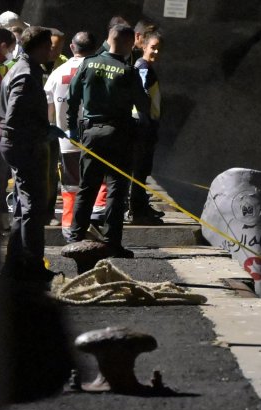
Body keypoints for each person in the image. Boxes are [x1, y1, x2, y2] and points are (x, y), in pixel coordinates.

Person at [65, 24, 150, 257]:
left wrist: (73, 128)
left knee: (87, 187)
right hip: (119, 133)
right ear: (127, 43)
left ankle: (76, 236)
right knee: (116, 189)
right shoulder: (128, 70)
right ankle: (112, 241)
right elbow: (143, 105)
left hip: (91, 133)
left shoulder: (88, 63)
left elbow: (72, 98)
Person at [0, 25, 56, 283]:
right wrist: (41, 130)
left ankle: (15, 263)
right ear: (41, 47)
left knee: (23, 206)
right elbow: (14, 116)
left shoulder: (22, 68)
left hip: (18, 143)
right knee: (33, 205)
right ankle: (33, 265)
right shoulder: (25, 74)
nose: (51, 52)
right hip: (23, 145)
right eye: (49, 47)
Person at [44, 30, 95, 237]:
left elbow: (49, 108)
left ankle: (68, 224)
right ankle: (89, 224)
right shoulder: (96, 69)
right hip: (93, 138)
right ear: (93, 49)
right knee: (94, 182)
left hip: (65, 140)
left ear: (72, 47)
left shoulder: (58, 73)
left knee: (70, 184)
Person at [127, 27, 165, 223]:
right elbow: (141, 94)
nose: (156, 52)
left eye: (159, 49)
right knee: (140, 170)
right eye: (153, 48)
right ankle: (137, 210)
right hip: (143, 126)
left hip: (146, 124)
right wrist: (145, 123)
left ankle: (140, 207)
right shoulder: (143, 67)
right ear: (143, 45)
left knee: (142, 170)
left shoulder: (145, 66)